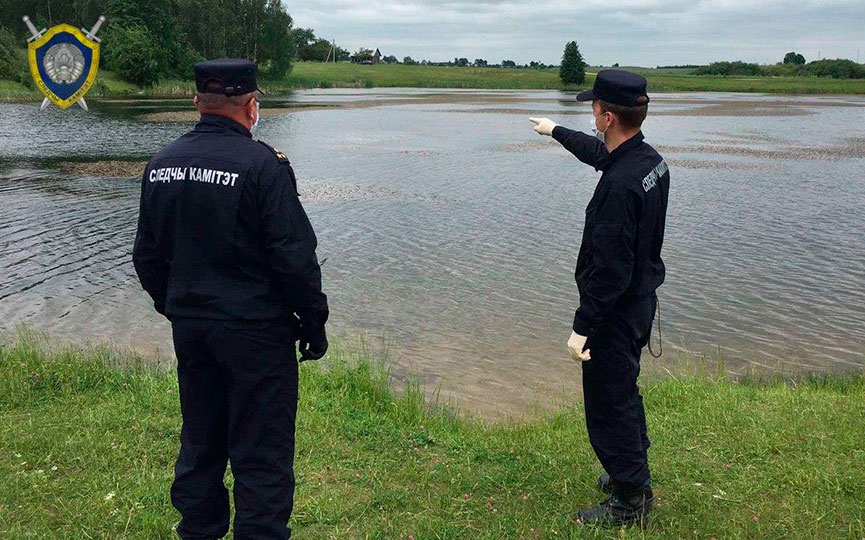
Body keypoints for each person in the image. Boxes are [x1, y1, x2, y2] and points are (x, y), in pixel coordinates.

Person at [132, 58, 328, 539]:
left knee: (201, 438)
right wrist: (313, 320)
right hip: (256, 332)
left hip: (193, 330)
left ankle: (198, 531)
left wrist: (177, 305)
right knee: (261, 448)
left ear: (199, 102)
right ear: (252, 105)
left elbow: (146, 256)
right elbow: (294, 256)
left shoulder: (160, 165)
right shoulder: (264, 165)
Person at [529, 69, 669, 527]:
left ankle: (631, 501)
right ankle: (631, 475)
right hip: (639, 303)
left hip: (613, 312)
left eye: (593, 108)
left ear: (608, 117)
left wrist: (582, 326)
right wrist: (555, 131)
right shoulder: (647, 161)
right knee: (623, 391)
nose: (590, 113)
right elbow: (598, 154)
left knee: (609, 404)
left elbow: (608, 270)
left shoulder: (619, 186)